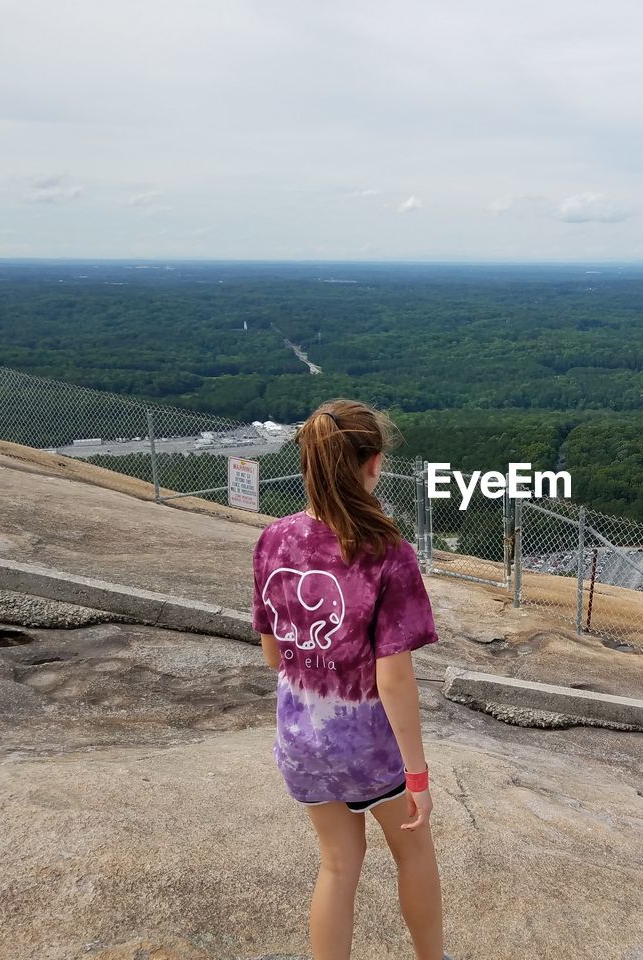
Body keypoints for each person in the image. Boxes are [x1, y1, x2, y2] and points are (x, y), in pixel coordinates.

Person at [250, 399, 450, 960]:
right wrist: (418, 775)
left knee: (338, 866)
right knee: (413, 853)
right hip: (369, 751)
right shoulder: (389, 553)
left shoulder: (273, 541)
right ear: (374, 464)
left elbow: (273, 654)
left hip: (300, 740)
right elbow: (394, 680)